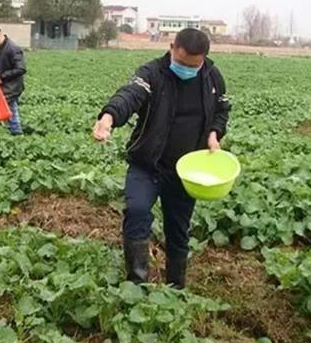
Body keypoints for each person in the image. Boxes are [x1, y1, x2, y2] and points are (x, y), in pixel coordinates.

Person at [92, 28, 231, 289]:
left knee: (178, 229)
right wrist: (109, 116)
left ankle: (175, 288)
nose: (186, 69)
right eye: (181, 63)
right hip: (147, 164)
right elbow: (130, 95)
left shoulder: (212, 77)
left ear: (203, 59)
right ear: (171, 47)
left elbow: (222, 110)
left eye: (193, 66)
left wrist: (215, 133)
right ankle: (136, 284)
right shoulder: (151, 73)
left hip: (186, 171)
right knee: (136, 212)